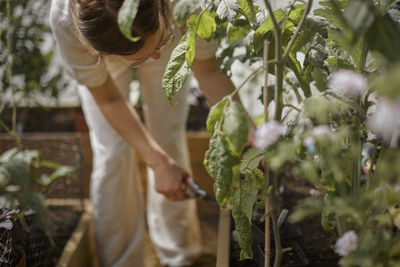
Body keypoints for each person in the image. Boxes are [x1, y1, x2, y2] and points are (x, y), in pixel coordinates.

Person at [49, 0, 242, 266]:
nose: (154, 59)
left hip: (167, 26)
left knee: (168, 135)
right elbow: (109, 100)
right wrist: (157, 161)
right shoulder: (68, 22)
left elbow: (207, 70)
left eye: (158, 47)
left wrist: (246, 131)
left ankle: (179, 254)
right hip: (112, 41)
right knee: (113, 151)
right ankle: (120, 260)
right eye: (140, 59)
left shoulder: (185, 4)